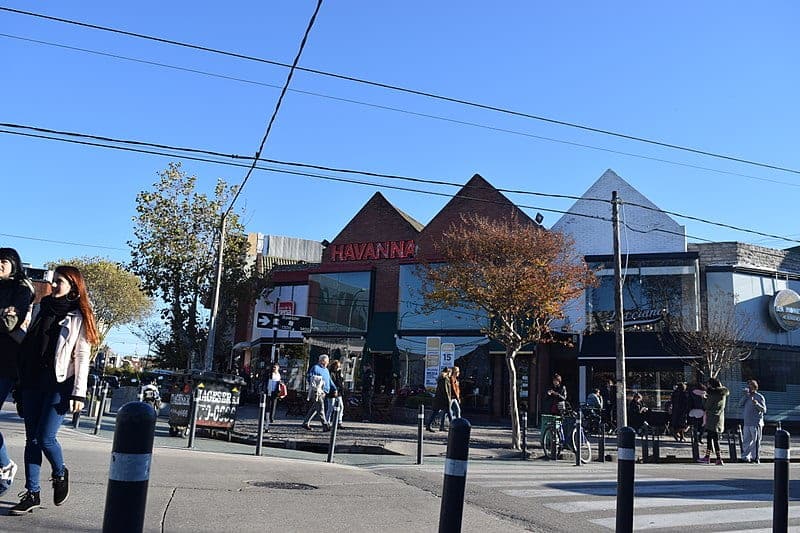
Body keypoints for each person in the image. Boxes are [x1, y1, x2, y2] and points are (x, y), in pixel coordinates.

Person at [11, 265, 99, 515]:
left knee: (46, 437)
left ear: (73, 287)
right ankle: (32, 493)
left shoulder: (77, 316)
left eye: (60, 281)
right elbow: (25, 339)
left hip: (59, 383)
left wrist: (79, 392)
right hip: (31, 380)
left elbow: (82, 356)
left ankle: (60, 473)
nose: (54, 285)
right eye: (54, 281)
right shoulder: (40, 306)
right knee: (32, 439)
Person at [0, 248, 35, 496]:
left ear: (13, 264)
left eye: (3, 262)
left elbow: (10, 323)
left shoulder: (23, 288)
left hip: (6, 362)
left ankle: (4, 465)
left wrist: (6, 316)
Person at [699, 377, 729, 465]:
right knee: (712, 438)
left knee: (713, 439)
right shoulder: (722, 394)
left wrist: (703, 398)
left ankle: (718, 458)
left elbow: (707, 406)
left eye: (708, 384)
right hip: (719, 418)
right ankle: (709, 457)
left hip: (712, 418)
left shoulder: (713, 395)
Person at [302, 354, 336, 431]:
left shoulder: (326, 370)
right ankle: (325, 425)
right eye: (327, 361)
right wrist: (315, 386)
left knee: (314, 408)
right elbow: (310, 377)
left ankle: (305, 423)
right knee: (321, 408)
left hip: (324, 392)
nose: (328, 363)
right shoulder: (316, 368)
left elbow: (329, 380)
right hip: (317, 392)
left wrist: (334, 388)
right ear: (322, 361)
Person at [739, 379, 766, 463]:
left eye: (750, 386)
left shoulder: (759, 397)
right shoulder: (747, 396)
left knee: (756, 441)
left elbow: (764, 410)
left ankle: (755, 457)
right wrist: (745, 396)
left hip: (756, 423)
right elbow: (740, 404)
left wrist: (757, 404)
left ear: (755, 387)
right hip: (747, 422)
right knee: (746, 441)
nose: (749, 388)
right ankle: (745, 457)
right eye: (748, 386)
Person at [426, 368, 452, 432]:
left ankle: (433, 425)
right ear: (448, 372)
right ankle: (453, 426)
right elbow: (445, 390)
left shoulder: (440, 378)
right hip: (443, 399)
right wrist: (448, 400)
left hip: (439, 398)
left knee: (439, 412)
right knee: (447, 412)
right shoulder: (445, 379)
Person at [326, 360, 345, 428]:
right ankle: (327, 422)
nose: (338, 368)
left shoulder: (338, 373)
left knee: (341, 406)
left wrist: (340, 375)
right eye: (337, 366)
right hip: (332, 392)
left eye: (339, 367)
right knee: (330, 407)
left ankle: (339, 421)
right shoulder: (330, 373)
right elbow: (331, 382)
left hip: (338, 392)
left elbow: (340, 382)